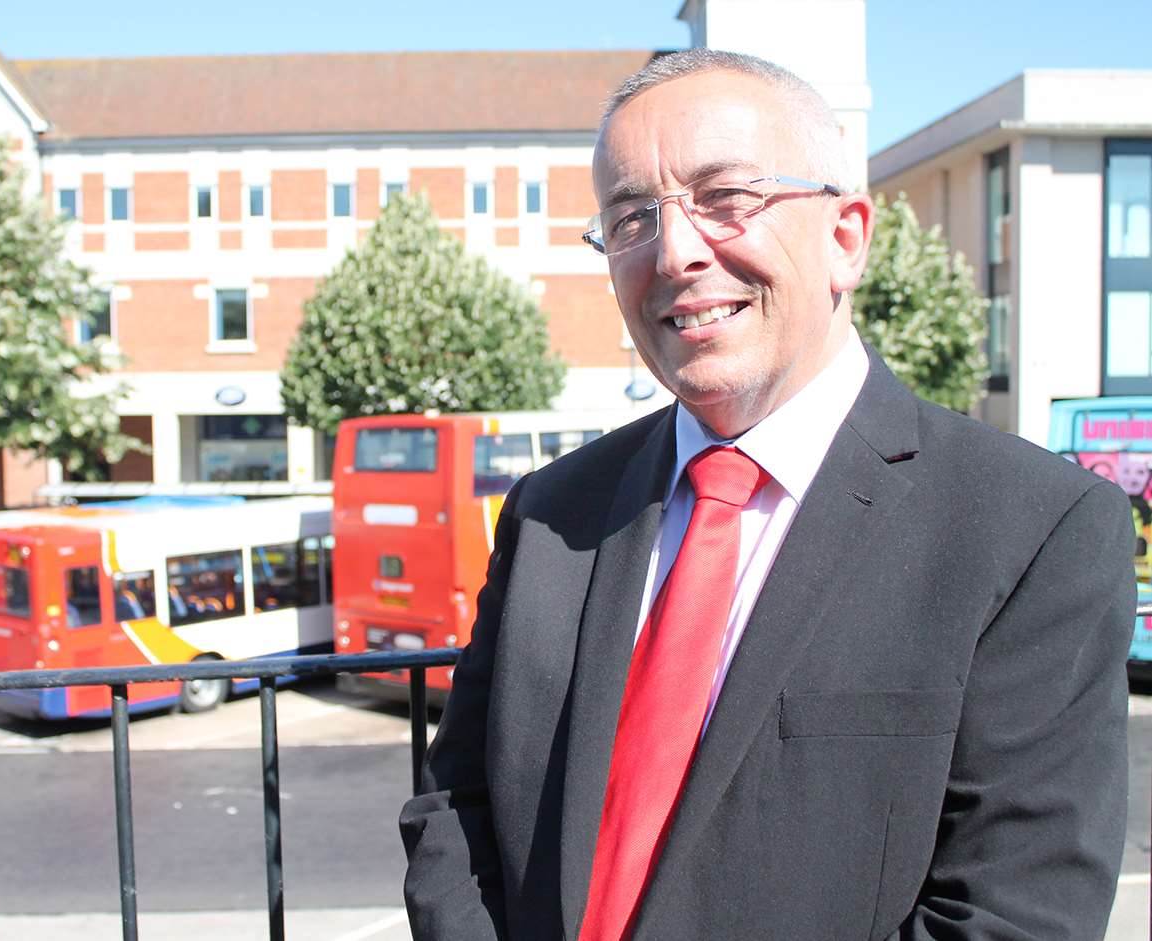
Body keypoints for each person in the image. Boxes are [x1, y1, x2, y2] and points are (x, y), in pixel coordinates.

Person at [400, 49, 1134, 941]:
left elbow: (1013, 912)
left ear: (845, 237)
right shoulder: (553, 512)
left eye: (726, 198)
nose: (674, 251)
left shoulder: (1032, 530)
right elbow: (457, 803)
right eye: (630, 217)